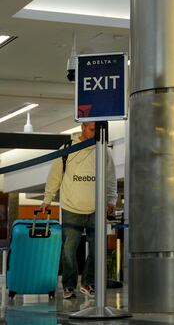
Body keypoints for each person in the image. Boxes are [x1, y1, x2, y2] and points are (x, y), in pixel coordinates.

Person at [41, 122, 117, 300]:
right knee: (69, 250)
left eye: (97, 130)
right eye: (92, 130)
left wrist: (111, 200)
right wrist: (47, 199)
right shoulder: (67, 148)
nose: (95, 133)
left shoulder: (103, 149)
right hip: (71, 208)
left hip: (96, 209)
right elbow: (55, 176)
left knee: (98, 249)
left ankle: (88, 283)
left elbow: (110, 177)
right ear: (83, 127)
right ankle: (69, 286)